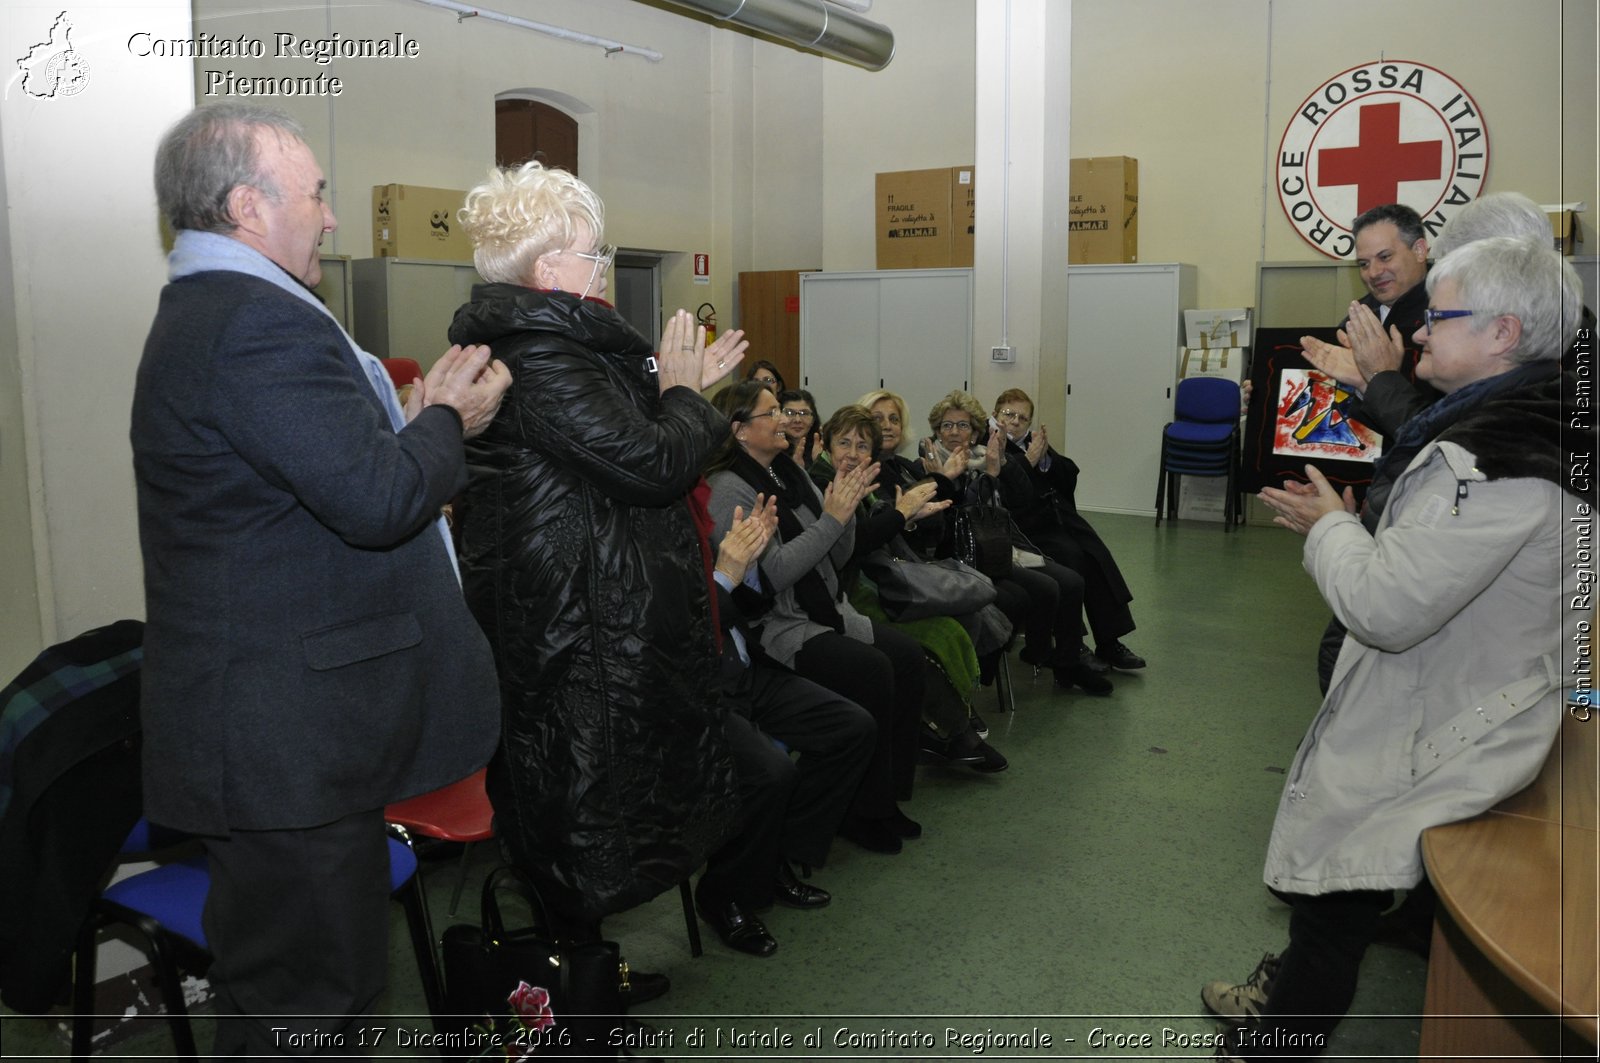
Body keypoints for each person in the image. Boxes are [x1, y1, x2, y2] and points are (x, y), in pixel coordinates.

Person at [131, 103, 509, 1054]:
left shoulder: (228, 309)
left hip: (288, 739)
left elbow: (327, 477)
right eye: (318, 194)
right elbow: (379, 501)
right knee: (306, 1002)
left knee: (317, 990)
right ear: (248, 207)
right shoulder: (255, 324)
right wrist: (445, 422)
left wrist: (414, 425)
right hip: (279, 749)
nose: (334, 218)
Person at [1204, 236, 1588, 1060]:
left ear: (1503, 333)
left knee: (1331, 900)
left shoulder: (1498, 461)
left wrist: (1332, 527)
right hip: (1471, 691)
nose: (1416, 333)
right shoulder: (1534, 422)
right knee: (1341, 904)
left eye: (1437, 317)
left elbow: (1384, 605)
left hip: (1446, 719)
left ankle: (1275, 1045)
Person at [450, 161, 751, 936]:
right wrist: (682, 395)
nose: (604, 269)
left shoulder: (568, 348)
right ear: (549, 269)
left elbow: (621, 447)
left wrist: (676, 392)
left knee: (591, 805)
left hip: (593, 613)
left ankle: (587, 979)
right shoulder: (540, 354)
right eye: (595, 254)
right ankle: (571, 1000)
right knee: (576, 809)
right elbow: (649, 465)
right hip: (571, 627)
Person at [706, 381, 927, 855]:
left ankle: (882, 798)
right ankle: (859, 811)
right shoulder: (729, 490)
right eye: (773, 414)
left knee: (908, 658)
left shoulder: (787, 470)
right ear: (741, 431)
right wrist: (832, 519)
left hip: (825, 609)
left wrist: (843, 515)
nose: (785, 421)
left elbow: (836, 554)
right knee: (873, 670)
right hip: (778, 626)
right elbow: (774, 576)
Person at [696, 494, 876, 955]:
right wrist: (724, 575)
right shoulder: (645, 531)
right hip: (698, 690)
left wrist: (747, 567)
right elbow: (674, 627)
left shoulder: (693, 516)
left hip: (743, 668)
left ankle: (774, 857)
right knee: (772, 773)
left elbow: (748, 608)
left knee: (851, 727)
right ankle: (723, 895)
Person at [807, 405, 1006, 772]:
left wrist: (907, 519)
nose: (852, 453)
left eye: (862, 446)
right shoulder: (821, 483)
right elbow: (849, 547)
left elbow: (888, 534)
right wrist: (901, 516)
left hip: (878, 576)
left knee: (964, 616)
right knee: (931, 637)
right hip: (849, 591)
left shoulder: (866, 480)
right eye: (844, 443)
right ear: (824, 445)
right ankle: (950, 730)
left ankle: (947, 721)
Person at [924, 390, 1113, 694]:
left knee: (1072, 580)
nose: (954, 432)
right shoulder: (929, 464)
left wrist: (1003, 469)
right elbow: (940, 526)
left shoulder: (985, 457)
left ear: (975, 433)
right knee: (1044, 588)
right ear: (937, 431)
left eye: (963, 426)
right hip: (960, 557)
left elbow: (1021, 499)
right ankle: (1041, 656)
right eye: (947, 426)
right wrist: (945, 480)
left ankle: (1067, 666)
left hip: (997, 550)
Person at [991, 388, 1145, 672]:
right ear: (996, 415)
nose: (1014, 422)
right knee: (1071, 560)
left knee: (1096, 554)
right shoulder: (992, 445)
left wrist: (1046, 458)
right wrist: (1029, 462)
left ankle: (1110, 640)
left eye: (1022, 418)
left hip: (1058, 518)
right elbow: (1004, 491)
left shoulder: (1033, 444)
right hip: (1024, 526)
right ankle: (1074, 643)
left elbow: (1067, 474)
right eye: (1008, 414)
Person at [1299, 203, 1432, 435]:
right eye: (1364, 264)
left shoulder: (1450, 316)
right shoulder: (1357, 318)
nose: (1373, 273)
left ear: (1419, 250)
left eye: (1385, 257)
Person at [777, 387, 821, 466]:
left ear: (813, 419)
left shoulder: (823, 448)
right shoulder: (771, 450)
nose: (797, 420)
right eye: (790, 413)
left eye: (804, 413)